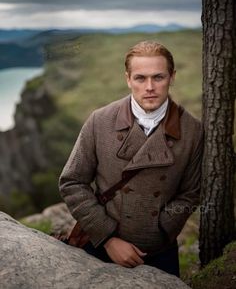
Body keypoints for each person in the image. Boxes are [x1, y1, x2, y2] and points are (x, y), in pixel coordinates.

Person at [59, 40, 204, 277]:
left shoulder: (192, 130)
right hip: (100, 244)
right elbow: (72, 182)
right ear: (128, 79)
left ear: (172, 77)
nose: (150, 87)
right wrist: (107, 238)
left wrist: (160, 230)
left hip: (159, 251)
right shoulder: (100, 121)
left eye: (158, 77)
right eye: (140, 78)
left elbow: (191, 192)